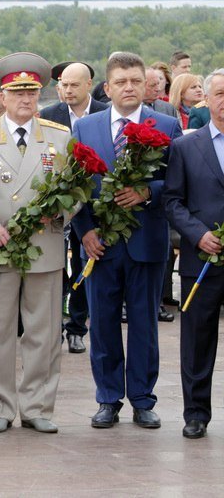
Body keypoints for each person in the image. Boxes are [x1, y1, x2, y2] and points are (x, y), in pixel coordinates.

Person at [0, 52, 72, 434]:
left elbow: (76, 192)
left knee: (43, 331)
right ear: (1, 97)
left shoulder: (59, 137)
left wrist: (57, 213)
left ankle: (38, 405)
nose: (25, 100)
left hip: (45, 246)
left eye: (32, 92)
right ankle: (1, 406)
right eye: (17, 93)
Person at [71, 52, 182, 430]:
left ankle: (142, 398)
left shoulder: (166, 126)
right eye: (121, 82)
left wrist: (147, 192)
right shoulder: (86, 128)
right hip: (100, 244)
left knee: (144, 324)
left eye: (135, 80)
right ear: (108, 87)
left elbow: (178, 184)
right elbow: (74, 187)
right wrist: (84, 231)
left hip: (146, 242)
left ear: (145, 84)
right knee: (101, 323)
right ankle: (107, 399)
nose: (129, 87)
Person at [163, 68, 224, 440]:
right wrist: (198, 234)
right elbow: (171, 201)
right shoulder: (185, 146)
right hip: (200, 259)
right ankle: (196, 413)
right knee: (198, 339)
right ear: (208, 99)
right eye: (219, 93)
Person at [39, 61, 109, 354]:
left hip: (90, 207)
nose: (67, 90)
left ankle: (77, 327)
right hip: (57, 205)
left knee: (83, 267)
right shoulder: (48, 115)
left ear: (88, 84)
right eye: (63, 85)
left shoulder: (104, 115)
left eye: (74, 85)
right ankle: (52, 326)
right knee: (54, 269)